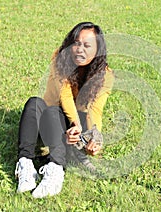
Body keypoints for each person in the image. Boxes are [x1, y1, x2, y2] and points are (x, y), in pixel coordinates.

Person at [15, 22, 114, 198]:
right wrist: (75, 122)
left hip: (75, 124)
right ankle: (26, 164)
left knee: (64, 118)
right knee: (34, 104)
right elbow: (65, 95)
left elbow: (95, 110)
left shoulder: (105, 75)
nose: (79, 49)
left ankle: (55, 168)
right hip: (50, 115)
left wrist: (95, 137)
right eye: (76, 43)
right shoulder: (60, 58)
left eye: (87, 45)